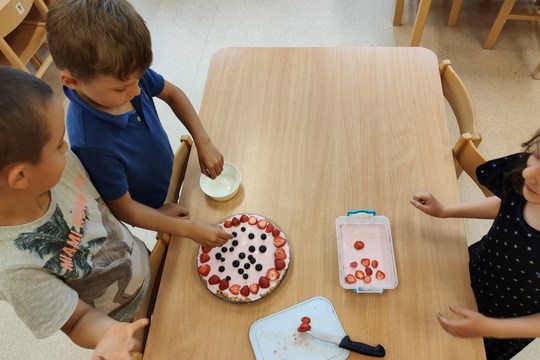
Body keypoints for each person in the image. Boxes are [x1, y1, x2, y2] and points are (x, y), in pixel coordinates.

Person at [45, 0, 232, 248]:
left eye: (138, 78)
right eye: (121, 88)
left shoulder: (126, 74)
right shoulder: (92, 144)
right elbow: (125, 209)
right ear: (72, 81)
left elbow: (173, 94)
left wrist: (203, 142)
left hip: (169, 177)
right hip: (150, 206)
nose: (136, 91)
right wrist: (176, 224)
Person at [0, 66, 150, 360]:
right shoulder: (14, 270)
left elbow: (107, 203)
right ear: (20, 176)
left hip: (146, 264)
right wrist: (109, 335)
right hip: (124, 325)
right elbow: (78, 320)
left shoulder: (57, 168)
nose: (67, 147)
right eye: (58, 144)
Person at [410, 130, 540, 360]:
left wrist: (489, 327)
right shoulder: (531, 183)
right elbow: (506, 204)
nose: (529, 173)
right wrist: (444, 210)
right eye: (537, 156)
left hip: (499, 326)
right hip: (468, 272)